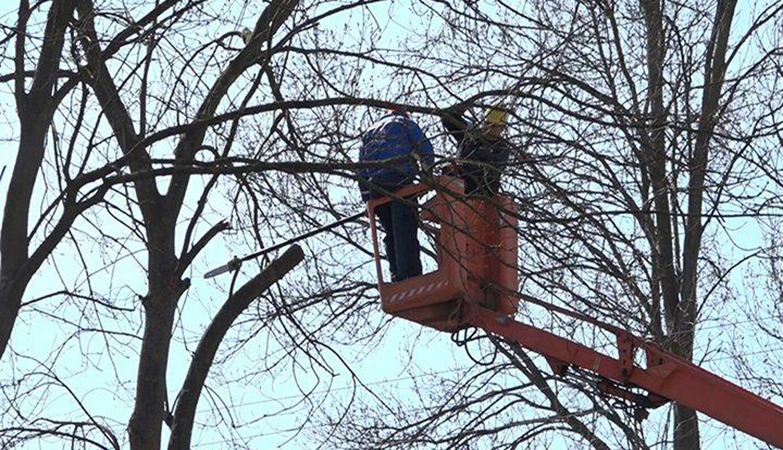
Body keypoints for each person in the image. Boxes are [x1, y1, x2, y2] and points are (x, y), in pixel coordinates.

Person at [358, 108, 435, 282]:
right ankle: (411, 276)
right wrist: (427, 176)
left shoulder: (370, 133)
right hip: (399, 179)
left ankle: (396, 274)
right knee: (405, 227)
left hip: (376, 188)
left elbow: (360, 170)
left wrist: (367, 200)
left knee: (391, 232)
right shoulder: (405, 123)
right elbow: (425, 149)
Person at [441, 104, 512, 197]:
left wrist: (461, 168)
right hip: (456, 186)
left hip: (480, 192)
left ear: (502, 128)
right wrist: (459, 110)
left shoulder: (502, 149)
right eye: (487, 123)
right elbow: (446, 117)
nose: (489, 128)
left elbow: (488, 172)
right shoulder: (470, 134)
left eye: (494, 126)